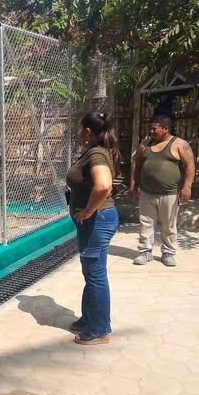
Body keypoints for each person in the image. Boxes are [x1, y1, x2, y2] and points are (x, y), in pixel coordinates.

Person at [66, 111, 120, 345]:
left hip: (97, 221)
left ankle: (99, 329)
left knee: (96, 274)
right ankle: (89, 318)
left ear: (87, 131)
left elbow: (104, 185)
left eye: (79, 128)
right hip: (96, 221)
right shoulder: (94, 151)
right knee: (91, 272)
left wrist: (88, 211)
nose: (77, 132)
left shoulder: (96, 153)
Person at [129, 115, 195, 267]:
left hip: (170, 193)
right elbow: (136, 164)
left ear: (166, 129)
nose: (151, 131)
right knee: (145, 222)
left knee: (169, 225)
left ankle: (168, 253)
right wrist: (133, 185)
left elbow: (190, 165)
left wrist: (187, 187)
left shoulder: (179, 144)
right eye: (150, 128)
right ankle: (145, 252)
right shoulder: (145, 144)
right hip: (147, 192)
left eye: (154, 129)